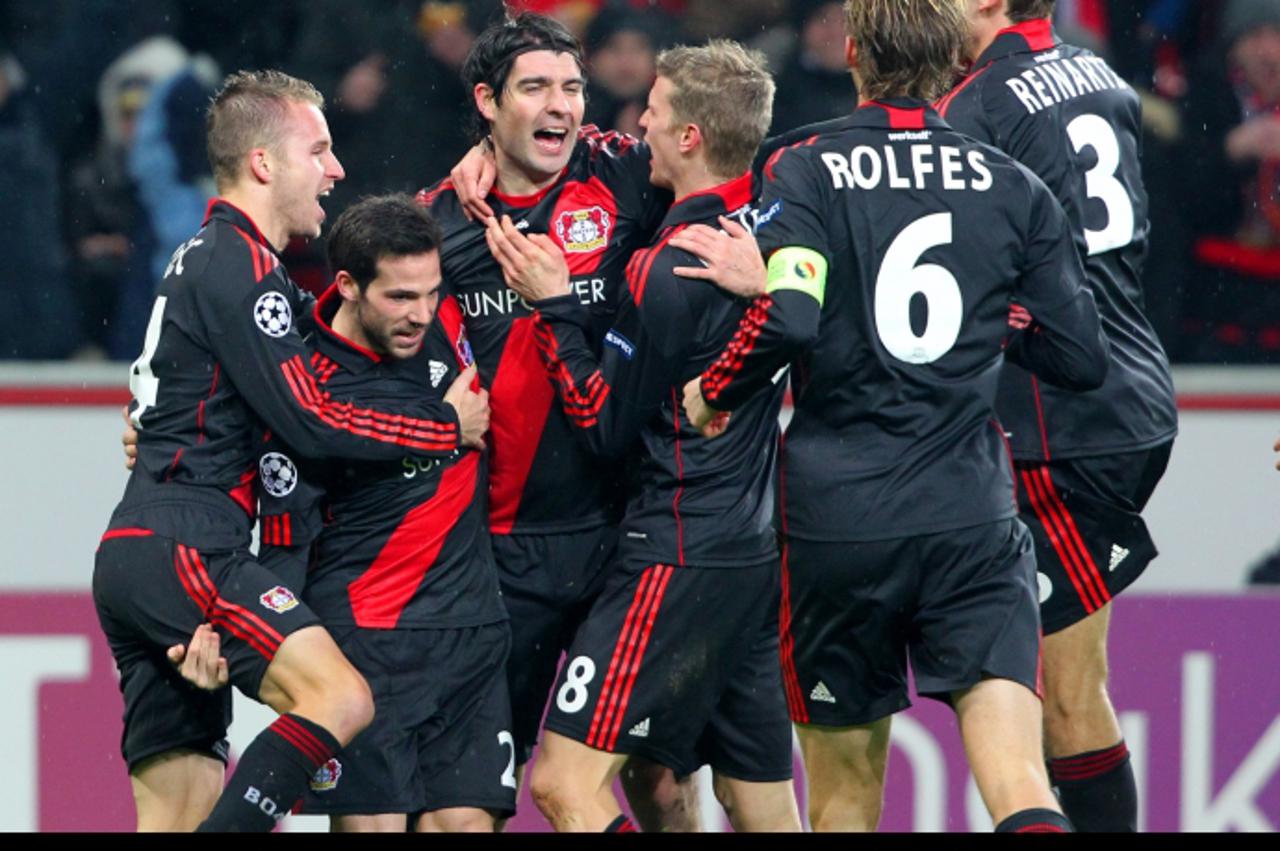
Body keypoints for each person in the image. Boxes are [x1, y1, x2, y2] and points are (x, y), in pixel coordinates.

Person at [681, 0, 1109, 833]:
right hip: (972, 515)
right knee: (1020, 780)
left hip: (840, 521)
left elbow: (793, 315)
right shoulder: (1011, 183)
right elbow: (1081, 357)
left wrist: (715, 390)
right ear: (955, 58)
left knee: (845, 796)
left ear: (850, 52)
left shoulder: (801, 167)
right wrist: (990, 320)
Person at [93, 69, 489, 832]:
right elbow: (310, 417)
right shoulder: (240, 264)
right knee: (341, 698)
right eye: (321, 148)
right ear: (265, 163)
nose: (335, 168)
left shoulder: (205, 257)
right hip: (189, 541)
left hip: (144, 547)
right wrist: (443, 429)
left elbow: (201, 394)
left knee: (177, 809)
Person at [484, 39, 801, 833]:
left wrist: (556, 306)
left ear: (690, 136)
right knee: (758, 797)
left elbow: (601, 424)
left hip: (676, 548)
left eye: (653, 112)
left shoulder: (670, 270)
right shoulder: (778, 225)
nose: (640, 124)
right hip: (756, 551)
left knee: (562, 780)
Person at [417, 12, 702, 830]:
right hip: (500, 556)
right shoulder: (440, 222)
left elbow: (724, 158)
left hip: (626, 538)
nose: (562, 107)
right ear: (487, 101)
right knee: (467, 804)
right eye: (536, 89)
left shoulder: (624, 180)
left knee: (658, 780)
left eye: (572, 88)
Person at [935, 1, 1178, 831]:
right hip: (1124, 385)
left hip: (1061, 419)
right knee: (1047, 694)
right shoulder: (1098, 74)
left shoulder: (979, 105)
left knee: (1064, 698)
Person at [244, 194, 512, 832]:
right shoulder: (305, 387)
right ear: (347, 287)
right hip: (366, 643)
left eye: (430, 293)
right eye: (399, 298)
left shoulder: (440, 309)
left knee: (466, 825)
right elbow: (286, 538)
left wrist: (478, 155)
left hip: (471, 632)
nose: (421, 315)